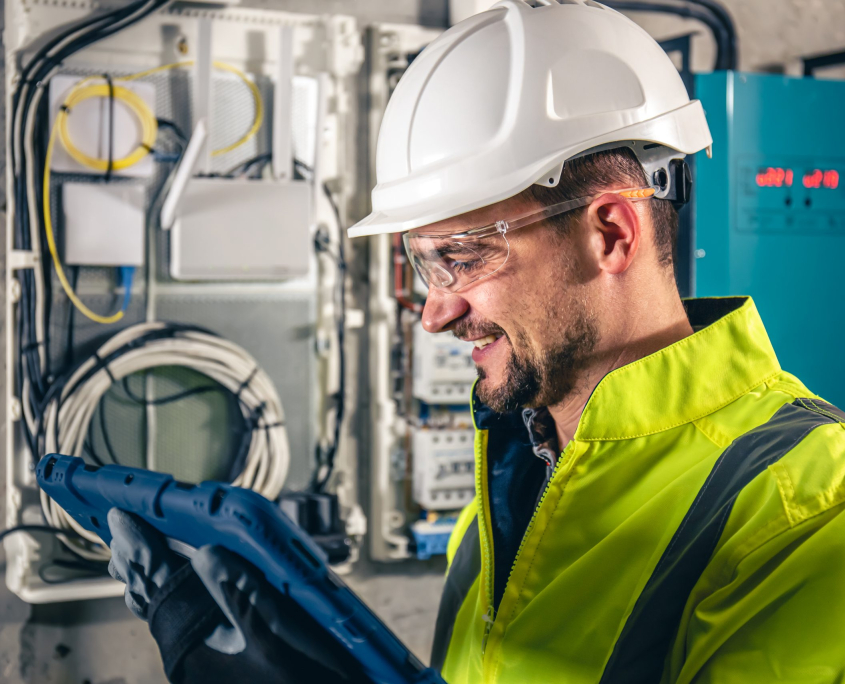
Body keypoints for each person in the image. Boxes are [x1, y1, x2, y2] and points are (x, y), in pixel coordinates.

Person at [108, 1, 845, 683]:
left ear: (609, 233)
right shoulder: (514, 477)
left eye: (460, 259)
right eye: (420, 262)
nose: (432, 313)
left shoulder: (809, 508)